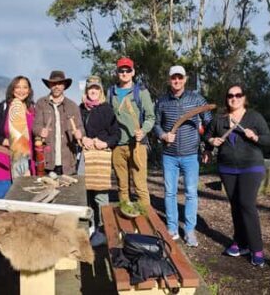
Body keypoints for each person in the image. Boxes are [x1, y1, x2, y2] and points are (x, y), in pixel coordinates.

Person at [205, 84, 270, 267]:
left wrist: (256, 137)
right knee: (235, 205)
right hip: (227, 168)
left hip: (251, 166)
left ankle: (257, 249)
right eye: (230, 96)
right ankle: (240, 243)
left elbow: (269, 139)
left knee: (246, 204)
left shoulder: (254, 117)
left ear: (244, 98)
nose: (233, 98)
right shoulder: (219, 118)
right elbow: (208, 137)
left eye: (238, 95)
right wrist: (212, 141)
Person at [153, 66, 212, 247]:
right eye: (173, 78)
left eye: (180, 77)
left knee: (191, 193)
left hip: (191, 155)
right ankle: (172, 228)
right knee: (170, 193)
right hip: (169, 156)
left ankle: (189, 230)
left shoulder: (197, 99)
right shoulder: (162, 102)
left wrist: (208, 147)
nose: (176, 81)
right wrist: (163, 135)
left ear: (185, 79)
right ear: (169, 80)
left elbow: (209, 122)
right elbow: (156, 125)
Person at [108, 57, 156, 208]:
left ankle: (145, 219)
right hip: (117, 145)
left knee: (140, 186)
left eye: (127, 70)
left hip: (137, 146)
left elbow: (150, 117)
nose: (124, 73)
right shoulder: (111, 92)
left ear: (133, 72)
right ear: (117, 72)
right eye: (121, 70)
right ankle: (126, 217)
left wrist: (144, 130)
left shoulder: (140, 92)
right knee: (122, 186)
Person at [79, 75, 120, 246]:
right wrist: (83, 139)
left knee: (101, 195)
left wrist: (105, 143)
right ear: (86, 91)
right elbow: (76, 130)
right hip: (84, 156)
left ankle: (105, 229)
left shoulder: (107, 109)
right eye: (90, 88)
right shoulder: (81, 109)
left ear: (101, 90)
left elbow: (117, 134)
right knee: (84, 193)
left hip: (101, 157)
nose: (93, 91)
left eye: (96, 88)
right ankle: (88, 227)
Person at [0, 76, 36, 198]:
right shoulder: (4, 107)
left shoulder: (32, 110)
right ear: (12, 89)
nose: (21, 90)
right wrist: (6, 141)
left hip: (23, 163)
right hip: (0, 163)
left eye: (25, 87)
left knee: (21, 203)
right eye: (17, 87)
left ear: (29, 90)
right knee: (1, 203)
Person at [33, 70, 84, 177]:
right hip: (47, 162)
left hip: (67, 162)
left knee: (67, 193)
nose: (57, 86)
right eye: (53, 83)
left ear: (64, 85)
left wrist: (80, 134)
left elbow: (80, 128)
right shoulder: (41, 103)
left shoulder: (72, 106)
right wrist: (40, 131)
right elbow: (35, 126)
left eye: (60, 83)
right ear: (49, 85)